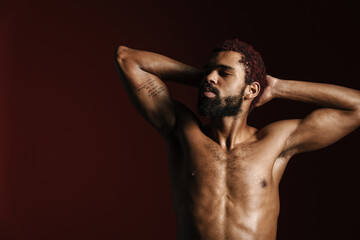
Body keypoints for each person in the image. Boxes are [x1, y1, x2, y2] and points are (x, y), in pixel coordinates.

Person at [114, 39, 360, 240]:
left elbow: (356, 107)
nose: (211, 77)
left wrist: (277, 88)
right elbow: (127, 58)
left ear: (251, 90)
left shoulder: (275, 142)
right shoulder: (184, 132)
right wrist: (207, 81)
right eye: (208, 71)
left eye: (224, 73)